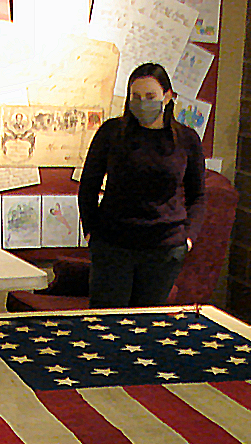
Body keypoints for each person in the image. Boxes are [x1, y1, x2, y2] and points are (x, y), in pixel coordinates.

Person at [78, 62, 206, 308]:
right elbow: (88, 186)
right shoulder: (111, 133)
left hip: (164, 249)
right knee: (106, 321)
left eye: (150, 96)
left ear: (167, 96)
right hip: (113, 245)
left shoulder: (186, 139)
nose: (142, 102)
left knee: (148, 322)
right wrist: (91, 231)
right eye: (135, 96)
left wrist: (188, 237)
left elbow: (197, 195)